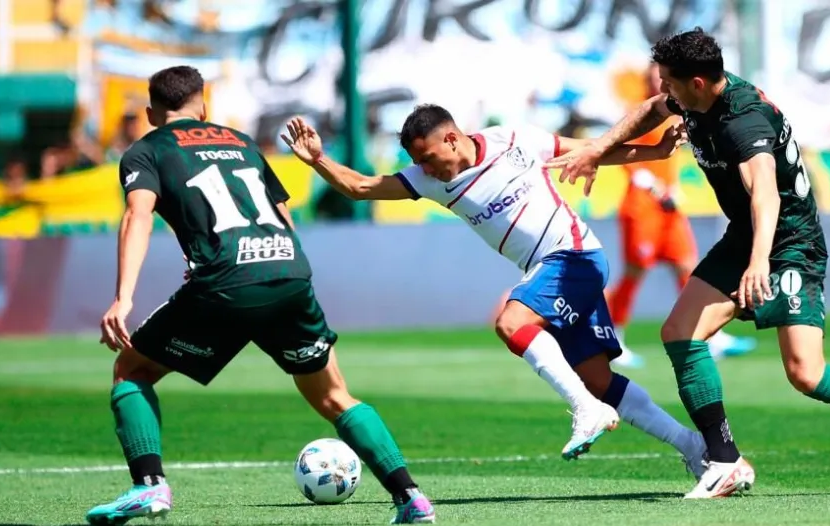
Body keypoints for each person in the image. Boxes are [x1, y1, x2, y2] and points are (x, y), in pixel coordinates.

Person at [545, 28, 830, 498]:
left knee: (806, 374)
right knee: (679, 333)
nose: (662, 91)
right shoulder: (697, 96)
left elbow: (767, 196)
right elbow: (651, 110)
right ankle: (725, 460)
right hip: (746, 237)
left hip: (790, 242)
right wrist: (594, 149)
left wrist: (758, 265)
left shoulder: (743, 121)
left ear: (697, 81)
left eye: (669, 82)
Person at [91, 66, 435, 526]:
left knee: (131, 369)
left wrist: (123, 297)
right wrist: (290, 276)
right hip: (288, 271)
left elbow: (138, 216)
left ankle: (149, 487)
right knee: (334, 395)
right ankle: (410, 497)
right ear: (203, 104)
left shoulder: (146, 149)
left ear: (152, 113)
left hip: (225, 281)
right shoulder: (240, 141)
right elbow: (282, 215)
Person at [282, 106, 708, 474]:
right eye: (419, 163)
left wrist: (654, 151)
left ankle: (587, 410)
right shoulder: (429, 180)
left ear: (451, 138)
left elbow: (591, 148)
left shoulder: (514, 139)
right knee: (598, 378)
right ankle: (694, 447)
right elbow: (360, 187)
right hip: (551, 269)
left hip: (574, 255)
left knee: (512, 320)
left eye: (428, 158)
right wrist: (318, 159)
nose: (426, 169)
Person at [606, 64, 757, 369]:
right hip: (642, 206)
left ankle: (711, 336)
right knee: (635, 272)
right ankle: (612, 338)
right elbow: (616, 149)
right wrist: (648, 183)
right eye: (654, 77)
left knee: (688, 266)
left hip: (670, 206)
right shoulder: (638, 112)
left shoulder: (676, 110)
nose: (660, 82)